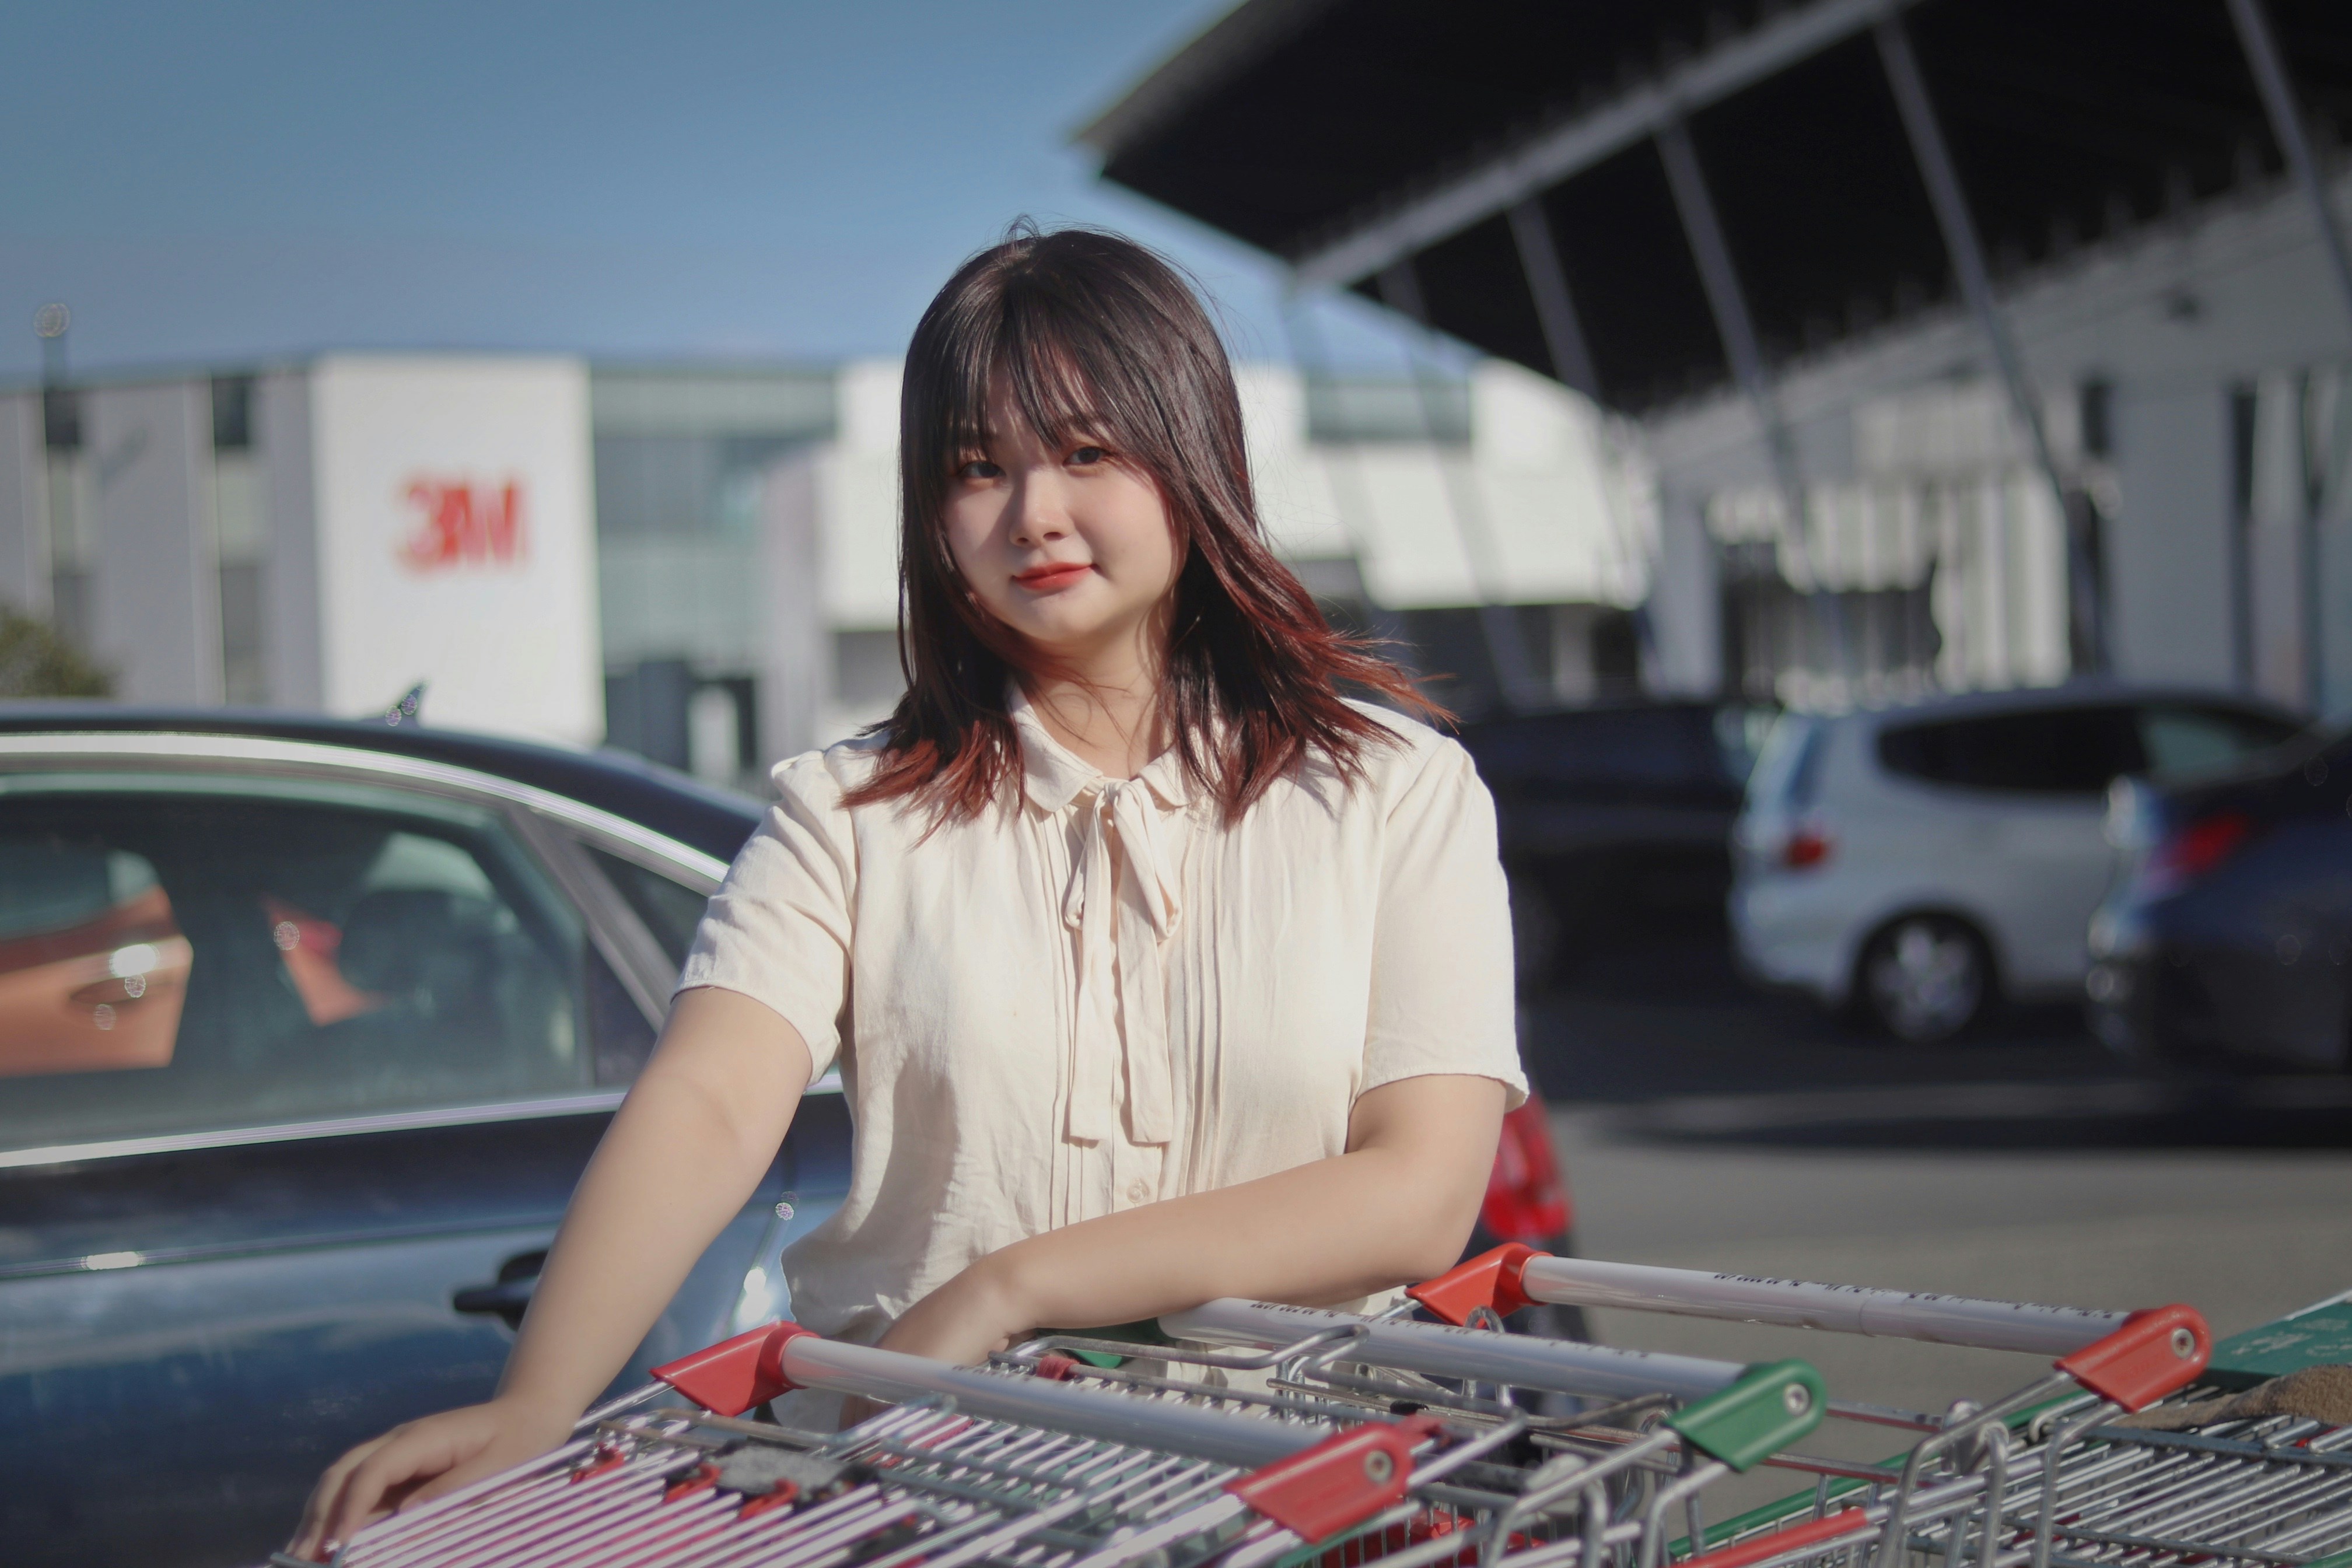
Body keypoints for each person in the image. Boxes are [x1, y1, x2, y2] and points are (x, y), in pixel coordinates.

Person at [291, 225, 1524, 1559]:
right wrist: (536, 1402)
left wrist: (1016, 1287)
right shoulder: (851, 812)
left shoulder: (1397, 791)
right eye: (975, 470)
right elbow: (710, 1102)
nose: (1033, 513)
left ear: (1195, 453)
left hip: (1307, 1500)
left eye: (1088, 452)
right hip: (936, 1506)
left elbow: (1416, 1192)